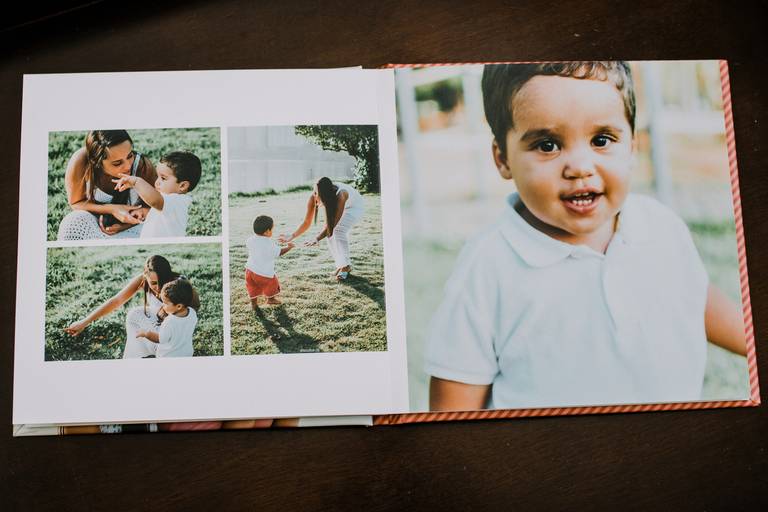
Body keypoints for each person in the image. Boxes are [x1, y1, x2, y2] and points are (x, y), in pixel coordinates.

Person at [425, 61, 747, 412]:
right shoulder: (488, 266)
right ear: (502, 158)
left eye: (601, 140)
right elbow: (453, 403)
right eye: (547, 145)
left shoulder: (660, 226)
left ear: (633, 146)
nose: (579, 167)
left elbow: (693, 298)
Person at [63, 255, 200, 358]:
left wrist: (169, 315)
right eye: (153, 283)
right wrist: (84, 322)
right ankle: (138, 355)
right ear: (145, 276)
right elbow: (116, 301)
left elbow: (192, 310)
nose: (158, 288)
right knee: (134, 315)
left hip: (174, 329)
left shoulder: (179, 284)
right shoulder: (142, 280)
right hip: (158, 324)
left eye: (161, 282)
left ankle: (160, 350)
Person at [57, 130, 157, 240]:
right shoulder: (81, 161)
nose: (128, 166)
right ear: (96, 162)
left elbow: (159, 209)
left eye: (129, 155)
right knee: (71, 225)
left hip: (136, 228)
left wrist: (124, 226)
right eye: (117, 163)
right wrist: (112, 209)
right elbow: (76, 203)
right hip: (95, 224)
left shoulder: (142, 166)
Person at [280, 177, 364, 280]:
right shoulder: (314, 196)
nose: (315, 195)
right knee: (330, 235)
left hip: (354, 207)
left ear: (325, 194)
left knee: (338, 231)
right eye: (314, 192)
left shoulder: (341, 195)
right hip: (345, 205)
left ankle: (346, 267)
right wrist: (292, 236)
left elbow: (332, 225)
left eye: (317, 194)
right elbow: (307, 222)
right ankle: (341, 265)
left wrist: (316, 238)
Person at [112, 151, 201, 238]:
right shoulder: (169, 201)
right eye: (157, 176)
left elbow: (154, 201)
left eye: (163, 178)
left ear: (183, 186)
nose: (157, 182)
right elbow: (160, 211)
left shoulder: (177, 200)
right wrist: (145, 212)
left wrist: (136, 182)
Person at [136, 279, 198, 358]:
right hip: (186, 354)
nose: (162, 306)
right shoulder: (192, 313)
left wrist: (146, 333)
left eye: (165, 303)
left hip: (168, 356)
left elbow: (160, 339)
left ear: (179, 306)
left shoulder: (170, 321)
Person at [245, 215, 294, 308]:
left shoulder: (250, 239)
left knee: (252, 287)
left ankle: (254, 303)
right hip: (264, 273)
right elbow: (279, 252)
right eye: (272, 229)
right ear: (267, 231)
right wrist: (289, 247)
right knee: (272, 284)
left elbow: (257, 246)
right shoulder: (268, 243)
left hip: (250, 271)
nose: (272, 231)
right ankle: (271, 299)